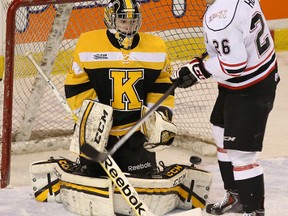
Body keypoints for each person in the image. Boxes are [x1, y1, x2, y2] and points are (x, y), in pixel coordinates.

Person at [170, 0, 279, 215]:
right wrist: (199, 65)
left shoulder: (221, 17)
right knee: (220, 134)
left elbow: (234, 65)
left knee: (241, 155)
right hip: (242, 83)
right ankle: (235, 196)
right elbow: (235, 41)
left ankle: (254, 211)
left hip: (250, 89)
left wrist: (199, 70)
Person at [64, 0, 176, 177]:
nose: (128, 26)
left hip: (136, 131)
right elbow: (76, 84)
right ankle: (87, 165)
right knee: (91, 176)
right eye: (123, 21)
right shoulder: (88, 44)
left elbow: (162, 85)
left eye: (133, 21)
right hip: (97, 133)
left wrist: (159, 114)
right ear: (110, 20)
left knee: (144, 177)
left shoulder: (156, 47)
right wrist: (93, 119)